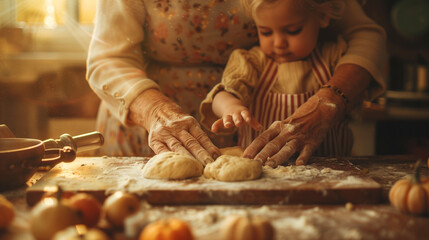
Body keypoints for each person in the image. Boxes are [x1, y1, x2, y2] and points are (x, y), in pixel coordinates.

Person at [86, 0, 386, 166]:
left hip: (256, 132)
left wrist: (326, 103)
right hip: (152, 129)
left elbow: (364, 34)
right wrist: (153, 111)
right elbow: (108, 58)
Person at [200, 0, 386, 167]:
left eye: (293, 30)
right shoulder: (252, 61)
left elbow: (354, 87)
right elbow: (222, 94)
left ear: (322, 17)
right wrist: (230, 106)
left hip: (331, 169)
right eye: (266, 32)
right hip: (261, 170)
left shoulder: (335, 58)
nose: (279, 43)